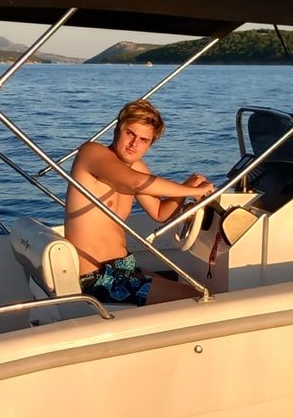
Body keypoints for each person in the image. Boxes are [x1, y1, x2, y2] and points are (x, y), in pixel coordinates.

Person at [64, 98, 213, 305]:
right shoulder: (91, 152)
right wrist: (192, 190)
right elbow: (136, 182)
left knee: (193, 289)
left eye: (143, 140)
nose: (134, 144)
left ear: (150, 145)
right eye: (130, 134)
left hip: (124, 269)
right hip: (97, 279)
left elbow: (160, 213)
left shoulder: (136, 167)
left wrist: (184, 192)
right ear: (117, 129)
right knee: (200, 299)